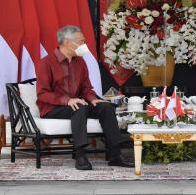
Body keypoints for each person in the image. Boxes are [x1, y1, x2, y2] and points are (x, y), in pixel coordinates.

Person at [36, 25, 134, 170]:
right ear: (68, 43)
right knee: (79, 108)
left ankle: (115, 155)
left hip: (78, 105)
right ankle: (80, 155)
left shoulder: (80, 62)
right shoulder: (46, 63)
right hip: (53, 107)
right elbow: (43, 94)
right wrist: (67, 100)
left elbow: (86, 88)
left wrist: (92, 99)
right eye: (81, 42)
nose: (84, 45)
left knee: (105, 107)